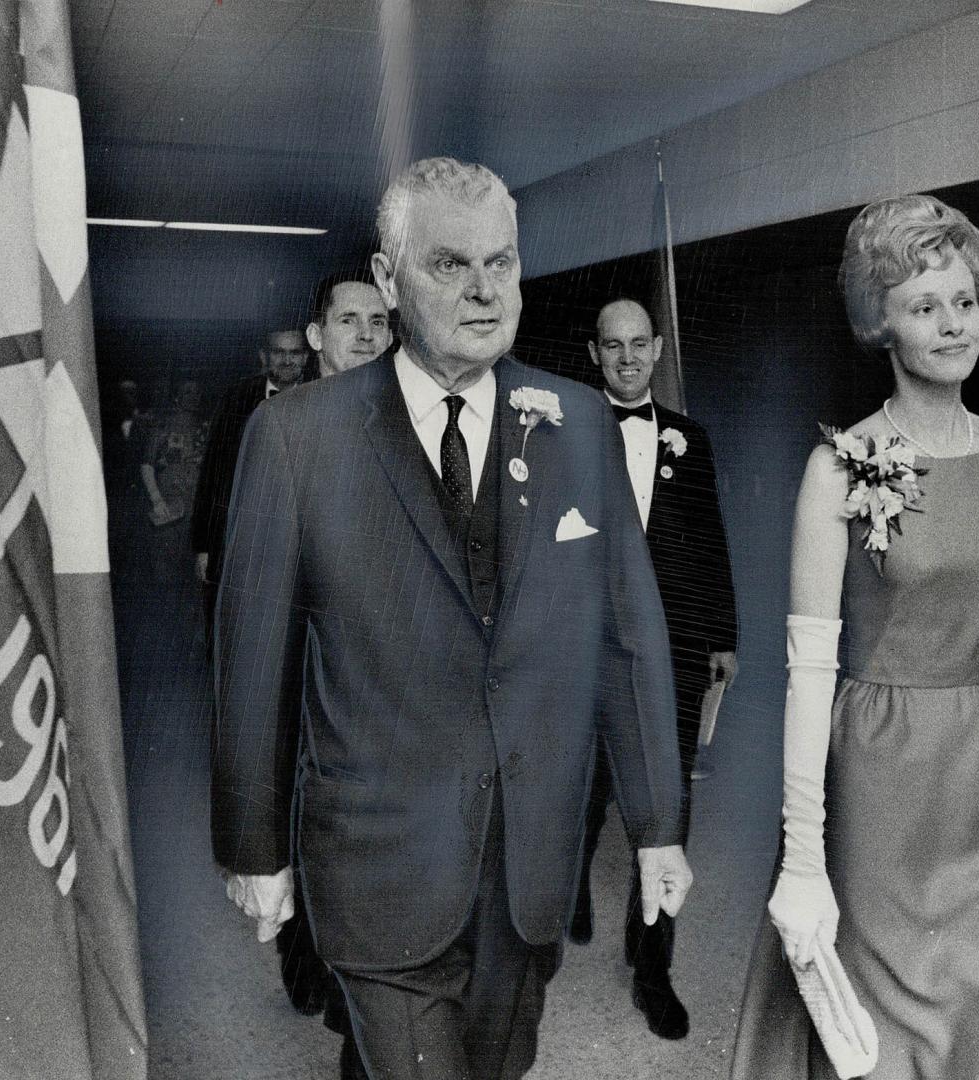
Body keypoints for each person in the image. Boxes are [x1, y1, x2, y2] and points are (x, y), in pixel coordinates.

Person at [212, 156, 692, 1080]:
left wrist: (656, 820)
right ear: (387, 279)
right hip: (377, 858)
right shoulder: (296, 439)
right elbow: (253, 663)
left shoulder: (579, 424)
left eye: (500, 264)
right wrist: (253, 846)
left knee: (496, 1067)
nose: (484, 292)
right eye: (449, 266)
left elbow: (625, 634)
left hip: (528, 863)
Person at [732, 193, 979, 1079]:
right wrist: (802, 861)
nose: (954, 326)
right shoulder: (836, 469)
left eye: (967, 301)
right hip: (884, 781)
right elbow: (808, 674)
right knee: (884, 1034)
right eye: (924, 306)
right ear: (880, 324)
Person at [572, 298, 738, 1040]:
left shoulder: (688, 439)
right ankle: (568, 885)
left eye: (640, 345)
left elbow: (707, 542)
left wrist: (721, 638)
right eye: (614, 347)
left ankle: (651, 968)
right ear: (594, 353)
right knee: (581, 790)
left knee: (666, 809)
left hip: (669, 650)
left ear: (659, 348)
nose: (628, 359)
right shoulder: (563, 434)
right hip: (581, 648)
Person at [190, 328, 310, 627]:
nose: (286, 360)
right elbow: (213, 471)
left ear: (306, 357)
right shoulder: (237, 398)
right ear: (264, 356)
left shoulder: (323, 395)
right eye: (279, 352)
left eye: (294, 352)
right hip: (243, 538)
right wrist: (204, 546)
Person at [138, 378, 208, 590]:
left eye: (196, 393)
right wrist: (157, 500)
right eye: (187, 393)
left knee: (197, 577)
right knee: (166, 575)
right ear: (177, 396)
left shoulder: (206, 428)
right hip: (168, 506)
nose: (193, 398)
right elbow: (147, 466)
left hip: (197, 506)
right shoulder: (163, 426)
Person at [305, 275, 393, 376]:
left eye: (377, 323)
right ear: (316, 336)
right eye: (347, 321)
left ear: (390, 339)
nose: (367, 335)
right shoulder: (298, 392)